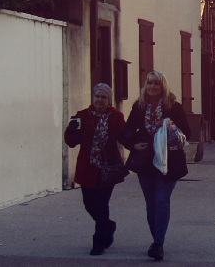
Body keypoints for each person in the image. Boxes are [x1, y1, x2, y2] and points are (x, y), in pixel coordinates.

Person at [121, 71, 191, 261]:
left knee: (161, 200)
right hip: (145, 161)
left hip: (169, 161)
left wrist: (169, 126)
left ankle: (158, 242)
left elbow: (187, 133)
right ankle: (156, 240)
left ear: (163, 87)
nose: (152, 87)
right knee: (151, 204)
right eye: (149, 83)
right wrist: (134, 144)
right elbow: (126, 132)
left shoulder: (173, 107)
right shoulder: (139, 106)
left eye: (156, 84)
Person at [64, 83, 126, 256]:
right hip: (87, 168)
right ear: (93, 98)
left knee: (101, 204)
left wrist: (136, 144)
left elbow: (123, 136)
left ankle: (99, 241)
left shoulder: (116, 116)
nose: (100, 100)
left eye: (103, 97)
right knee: (89, 204)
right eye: (97, 96)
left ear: (109, 100)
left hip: (108, 168)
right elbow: (71, 142)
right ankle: (108, 225)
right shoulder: (82, 116)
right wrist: (70, 131)